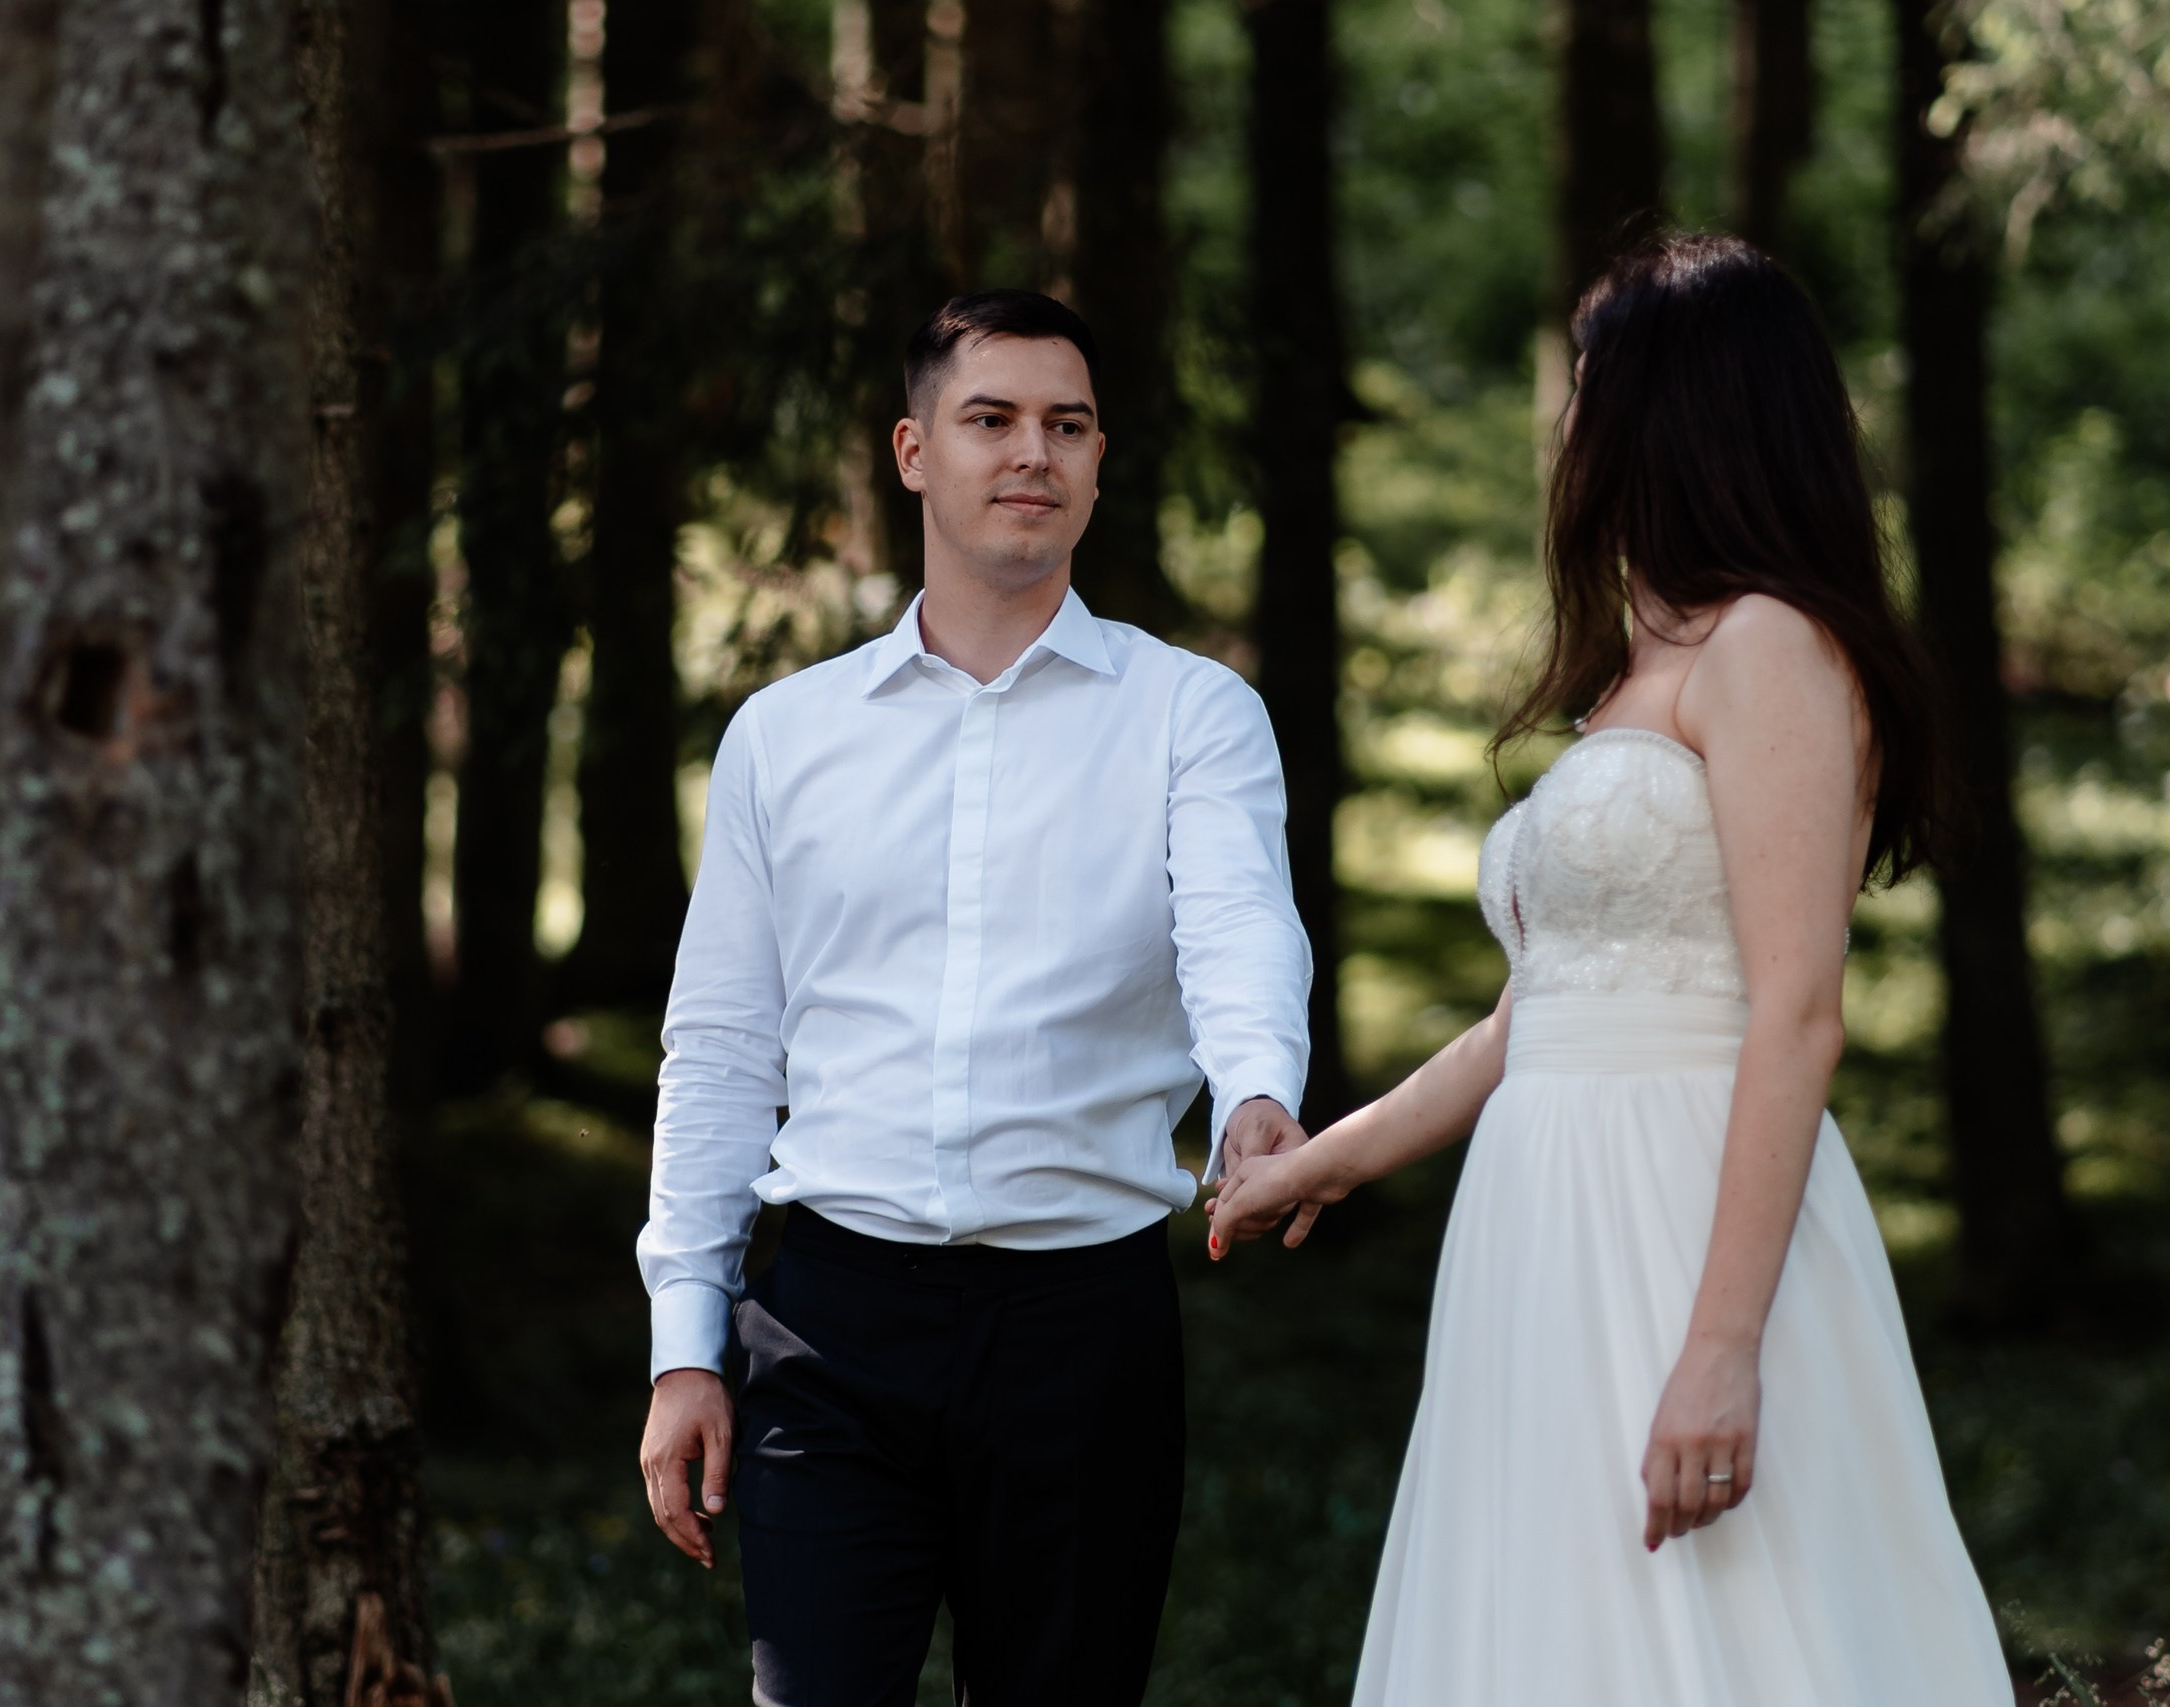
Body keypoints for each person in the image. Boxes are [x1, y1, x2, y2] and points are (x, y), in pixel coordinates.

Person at [1210, 232, 2013, 1703]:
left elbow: (1798, 1009)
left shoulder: (1771, 646)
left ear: (1679, 407)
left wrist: (1720, 1349)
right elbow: (1533, 1019)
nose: (1568, 422)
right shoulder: (1644, 663)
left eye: (1589, 385)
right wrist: (1328, 1160)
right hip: (1541, 1221)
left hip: (1686, 1211)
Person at [635, 288, 1314, 1702]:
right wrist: (684, 1344)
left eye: (1067, 425)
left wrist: (1260, 1096)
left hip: (1084, 1335)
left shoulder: (1192, 714)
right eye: (991, 419)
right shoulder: (785, 737)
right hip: (827, 1326)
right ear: (910, 452)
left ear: (1099, 461)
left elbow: (1242, 933)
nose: (1033, 454)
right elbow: (717, 1050)